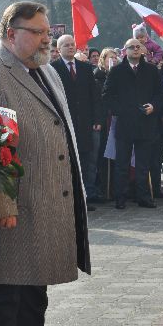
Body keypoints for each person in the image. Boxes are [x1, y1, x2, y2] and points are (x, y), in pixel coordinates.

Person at [0, 1, 91, 326]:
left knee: (32, 314)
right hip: (10, 219)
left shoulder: (46, 70)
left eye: (47, 32)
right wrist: (1, 203)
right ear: (10, 34)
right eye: (37, 33)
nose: (46, 39)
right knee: (4, 320)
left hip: (42, 211)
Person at [103, 37, 163, 209]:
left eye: (138, 47)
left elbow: (160, 94)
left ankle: (143, 197)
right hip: (125, 125)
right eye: (131, 47)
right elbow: (107, 96)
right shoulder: (116, 71)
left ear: (144, 50)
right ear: (125, 51)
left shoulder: (152, 71)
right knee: (122, 164)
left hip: (146, 124)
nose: (135, 50)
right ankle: (120, 198)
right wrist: (122, 110)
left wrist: (153, 106)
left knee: (143, 165)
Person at [51, 34, 103, 207]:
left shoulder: (85, 68)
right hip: (65, 122)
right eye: (66, 45)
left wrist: (97, 118)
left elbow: (94, 96)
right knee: (69, 160)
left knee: (87, 158)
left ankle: (87, 194)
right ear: (58, 50)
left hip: (86, 122)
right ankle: (70, 197)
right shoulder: (53, 69)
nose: (71, 47)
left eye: (72, 44)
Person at [93, 47, 118, 200]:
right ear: (103, 60)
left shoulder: (119, 75)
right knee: (104, 155)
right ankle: (104, 188)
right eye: (110, 57)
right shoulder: (98, 76)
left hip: (116, 118)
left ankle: (115, 187)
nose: (114, 59)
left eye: (115, 57)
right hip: (104, 120)